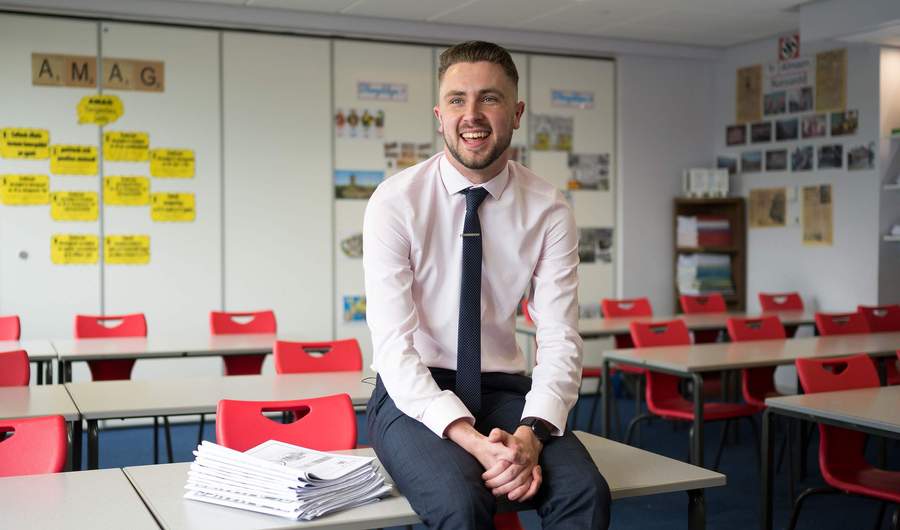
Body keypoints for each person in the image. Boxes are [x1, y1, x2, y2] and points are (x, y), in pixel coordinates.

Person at [363, 40, 611, 529]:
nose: (471, 114)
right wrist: (475, 442)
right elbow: (393, 347)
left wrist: (530, 437)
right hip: (412, 390)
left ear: (516, 113)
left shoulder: (548, 208)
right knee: (462, 500)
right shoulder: (395, 202)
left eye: (489, 99)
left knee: (586, 493)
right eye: (457, 100)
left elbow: (560, 338)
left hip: (502, 389)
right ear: (439, 115)